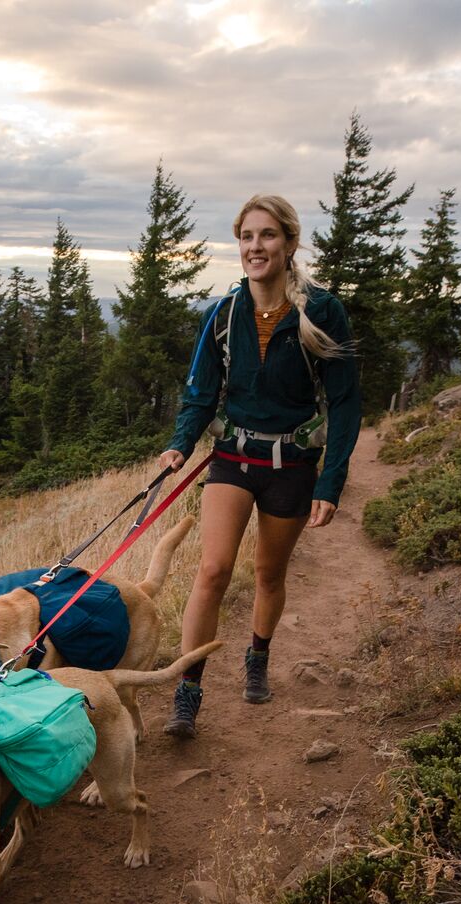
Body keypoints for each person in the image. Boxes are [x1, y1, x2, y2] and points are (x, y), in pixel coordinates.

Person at [154, 193, 362, 738]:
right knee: (214, 570)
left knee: (269, 573)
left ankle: (258, 657)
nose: (255, 247)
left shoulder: (322, 310)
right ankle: (188, 689)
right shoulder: (223, 314)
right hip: (232, 459)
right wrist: (180, 443)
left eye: (267, 235)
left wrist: (331, 481)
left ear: (289, 244)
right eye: (247, 237)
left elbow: (345, 404)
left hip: (292, 466)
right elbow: (200, 392)